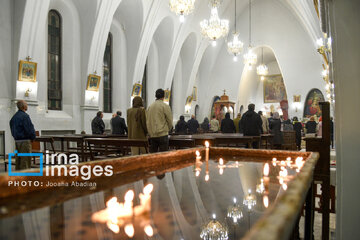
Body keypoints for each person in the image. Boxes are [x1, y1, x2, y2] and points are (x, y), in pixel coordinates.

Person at [9, 100, 36, 170]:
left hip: (17, 141)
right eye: (26, 104)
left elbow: (12, 129)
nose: (27, 106)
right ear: (23, 106)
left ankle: (18, 178)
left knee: (18, 162)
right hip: (25, 142)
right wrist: (33, 137)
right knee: (25, 162)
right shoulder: (25, 116)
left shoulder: (14, 117)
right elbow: (29, 129)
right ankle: (24, 179)